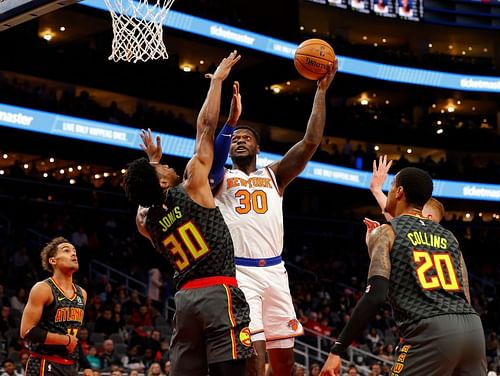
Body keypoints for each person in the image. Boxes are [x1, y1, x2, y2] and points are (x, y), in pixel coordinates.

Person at [124, 51, 253, 376]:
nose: (168, 165)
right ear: (163, 180)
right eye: (163, 167)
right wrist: (218, 82)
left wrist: (151, 164)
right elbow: (205, 128)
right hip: (218, 294)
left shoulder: (146, 222)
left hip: (184, 302)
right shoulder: (192, 185)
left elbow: (144, 199)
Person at [204, 59, 336, 376]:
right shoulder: (219, 177)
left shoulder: (274, 174)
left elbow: (310, 142)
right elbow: (213, 151)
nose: (239, 139)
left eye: (246, 137)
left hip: (276, 272)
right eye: (236, 137)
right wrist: (230, 123)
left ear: (259, 147)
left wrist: (320, 92)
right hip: (240, 273)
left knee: (284, 362)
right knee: (254, 358)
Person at [320, 167, 487, 375]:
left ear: (399, 192)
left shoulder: (388, 231)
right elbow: (465, 295)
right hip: (473, 330)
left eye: (390, 187)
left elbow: (375, 296)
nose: (389, 192)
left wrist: (337, 349)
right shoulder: (450, 237)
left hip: (432, 331)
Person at [20, 237, 92, 376]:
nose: (73, 254)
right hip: (44, 362)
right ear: (53, 261)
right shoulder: (43, 288)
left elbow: (73, 335)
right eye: (66, 250)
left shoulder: (82, 293)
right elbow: (27, 331)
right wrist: (64, 340)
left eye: (74, 251)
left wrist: (86, 366)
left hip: (71, 366)